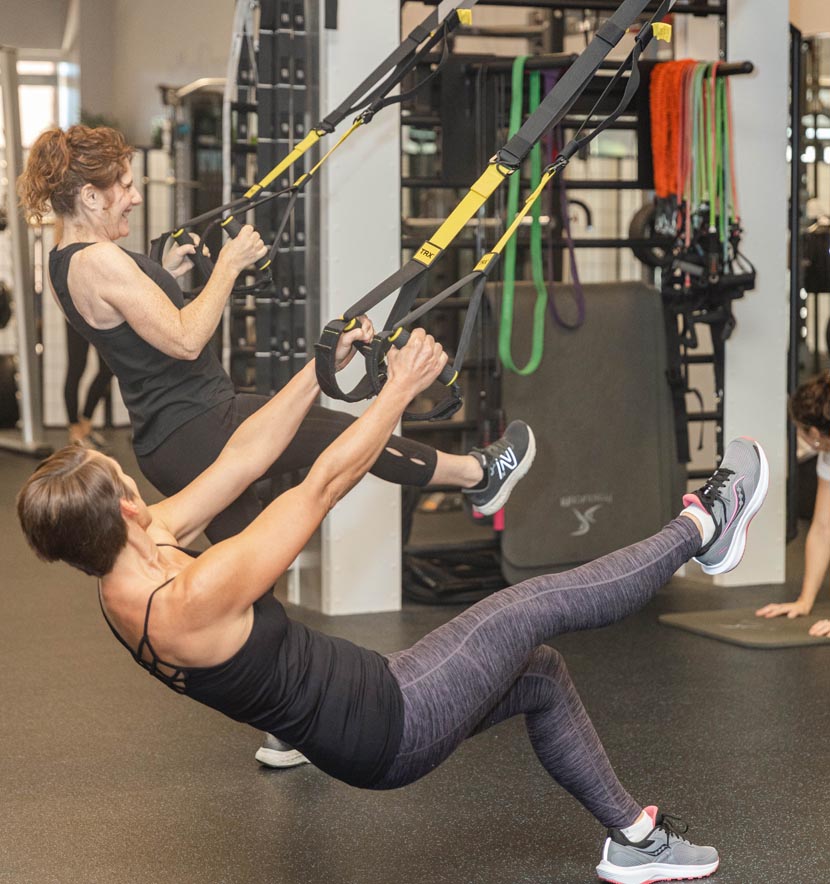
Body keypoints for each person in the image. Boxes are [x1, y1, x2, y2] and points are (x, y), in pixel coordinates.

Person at [17, 323, 769, 883]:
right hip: (390, 725)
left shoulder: (131, 559)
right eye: (125, 478)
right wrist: (399, 389)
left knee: (538, 675)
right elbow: (322, 485)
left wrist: (321, 373)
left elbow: (245, 453)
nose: (139, 488)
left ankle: (634, 840)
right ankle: (704, 524)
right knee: (531, 605)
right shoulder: (187, 597)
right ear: (123, 512)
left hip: (375, 692)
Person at [18, 124, 535, 767]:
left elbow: (139, 321)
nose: (130, 195)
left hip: (172, 433)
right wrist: (228, 268)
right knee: (337, 440)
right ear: (90, 197)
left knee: (245, 587)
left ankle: (285, 725)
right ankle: (477, 474)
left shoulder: (66, 260)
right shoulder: (98, 260)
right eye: (121, 186)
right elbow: (182, 338)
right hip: (201, 418)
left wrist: (172, 272)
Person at [757, 371, 830, 636]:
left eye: (800, 430)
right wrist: (805, 600)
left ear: (813, 432)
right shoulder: (827, 455)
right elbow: (823, 528)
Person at [64, 319, 113, 448]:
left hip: (100, 313)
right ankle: (75, 430)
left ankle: (85, 424)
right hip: (76, 313)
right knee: (76, 369)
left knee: (108, 368)